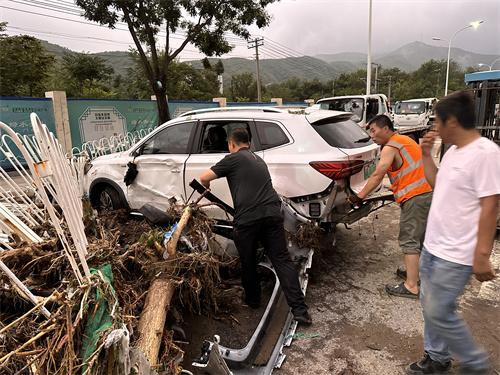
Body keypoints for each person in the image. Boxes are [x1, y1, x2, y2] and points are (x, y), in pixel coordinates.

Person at [407, 91, 499, 375]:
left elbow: (491, 204)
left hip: (456, 254)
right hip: (434, 247)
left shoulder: (486, 153)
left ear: (453, 121)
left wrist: (482, 254)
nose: (435, 127)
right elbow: (437, 183)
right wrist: (425, 154)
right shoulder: (454, 152)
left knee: (439, 310)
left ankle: (476, 364)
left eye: (437, 121)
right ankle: (437, 357)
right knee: (430, 305)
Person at [199, 127, 312, 325]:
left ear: (231, 144)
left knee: (248, 261)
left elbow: (203, 177)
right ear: (248, 143)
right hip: (272, 214)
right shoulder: (258, 159)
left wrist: (206, 187)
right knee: (282, 260)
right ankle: (300, 311)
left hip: (248, 220)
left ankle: (253, 301)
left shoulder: (233, 158)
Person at [349, 114, 432, 299]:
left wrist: (359, 196)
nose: (371, 135)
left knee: (409, 240)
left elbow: (379, 173)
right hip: (427, 193)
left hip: (415, 197)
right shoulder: (404, 140)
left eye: (373, 130)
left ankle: (411, 286)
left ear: (385, 128)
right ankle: (418, 275)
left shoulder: (391, 146)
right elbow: (408, 169)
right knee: (421, 238)